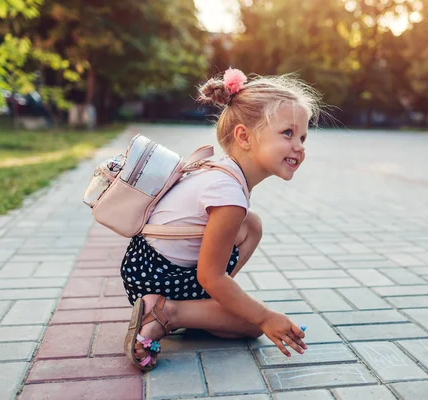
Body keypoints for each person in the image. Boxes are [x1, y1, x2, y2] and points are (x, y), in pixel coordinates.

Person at [122, 68, 322, 370]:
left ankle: (195, 310)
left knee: (251, 226)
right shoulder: (228, 193)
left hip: (147, 265)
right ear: (244, 137)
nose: (299, 146)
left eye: (303, 137)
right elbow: (210, 276)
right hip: (158, 276)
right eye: (287, 133)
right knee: (255, 324)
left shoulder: (223, 172)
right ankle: (163, 312)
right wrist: (265, 317)